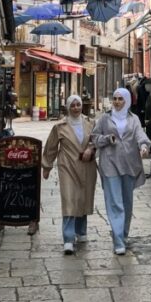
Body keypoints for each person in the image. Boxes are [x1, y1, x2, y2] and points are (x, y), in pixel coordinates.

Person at [91, 87, 151, 255]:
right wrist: (106, 139)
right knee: (115, 202)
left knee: (127, 202)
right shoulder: (104, 118)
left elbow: (140, 135)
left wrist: (144, 146)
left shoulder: (134, 119)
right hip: (110, 163)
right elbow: (94, 138)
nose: (117, 102)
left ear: (127, 101)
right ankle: (118, 240)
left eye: (120, 99)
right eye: (115, 98)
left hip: (129, 164)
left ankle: (123, 233)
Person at [42, 95, 97, 255]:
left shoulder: (91, 123)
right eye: (72, 105)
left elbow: (97, 140)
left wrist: (91, 149)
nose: (76, 108)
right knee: (69, 198)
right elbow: (51, 146)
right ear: (67, 107)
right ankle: (68, 238)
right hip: (67, 166)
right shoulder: (60, 126)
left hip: (87, 166)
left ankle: (81, 231)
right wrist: (46, 166)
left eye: (78, 104)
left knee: (83, 197)